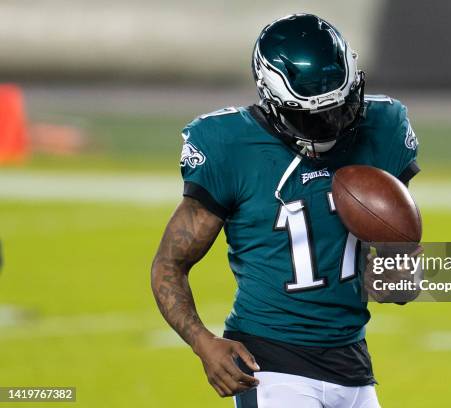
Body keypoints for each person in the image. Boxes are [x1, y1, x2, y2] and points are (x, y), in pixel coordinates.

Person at [151, 14, 420, 408]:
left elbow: (393, 261)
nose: (330, 124)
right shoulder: (231, 146)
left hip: (353, 360)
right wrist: (202, 341)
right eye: (311, 115)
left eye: (340, 107)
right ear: (271, 98)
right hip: (272, 363)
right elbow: (168, 264)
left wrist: (401, 268)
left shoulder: (384, 127)